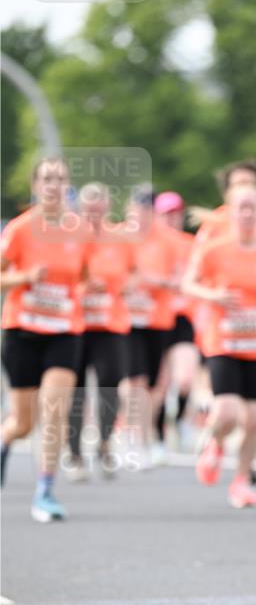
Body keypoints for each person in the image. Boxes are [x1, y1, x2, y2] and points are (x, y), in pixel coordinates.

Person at [1, 157, 90, 520]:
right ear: (36, 186)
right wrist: (24, 278)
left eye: (60, 179)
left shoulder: (79, 231)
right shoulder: (21, 230)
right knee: (24, 423)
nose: (53, 186)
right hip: (22, 331)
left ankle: (45, 492)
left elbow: (83, 275)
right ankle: (5, 440)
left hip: (64, 332)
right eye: (47, 179)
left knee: (54, 411)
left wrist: (83, 290)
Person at [183, 183, 256, 508]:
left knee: (253, 420)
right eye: (242, 207)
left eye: (253, 207)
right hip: (223, 340)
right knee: (226, 413)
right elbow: (188, 283)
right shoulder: (215, 249)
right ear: (230, 212)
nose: (248, 214)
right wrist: (215, 296)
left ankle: (240, 480)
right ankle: (215, 443)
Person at [65, 182, 134, 480]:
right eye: (87, 209)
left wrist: (118, 286)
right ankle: (75, 453)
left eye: (98, 208)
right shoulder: (68, 236)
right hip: (74, 325)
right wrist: (82, 287)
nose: (93, 215)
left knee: (110, 382)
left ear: (107, 208)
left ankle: (105, 444)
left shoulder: (120, 238)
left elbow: (133, 275)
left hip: (110, 324)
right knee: (75, 389)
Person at [122, 186, 179, 469]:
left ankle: (147, 435)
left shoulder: (166, 240)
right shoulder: (119, 236)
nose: (142, 213)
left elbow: (178, 277)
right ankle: (136, 440)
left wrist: (154, 280)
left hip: (157, 318)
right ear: (129, 208)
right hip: (127, 319)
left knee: (156, 384)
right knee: (137, 381)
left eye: (147, 208)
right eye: (137, 206)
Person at [152, 191, 199, 455]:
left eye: (177, 213)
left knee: (185, 379)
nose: (173, 218)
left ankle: (180, 420)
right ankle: (158, 438)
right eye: (167, 214)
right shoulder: (149, 244)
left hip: (183, 317)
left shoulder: (191, 244)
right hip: (156, 318)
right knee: (159, 384)